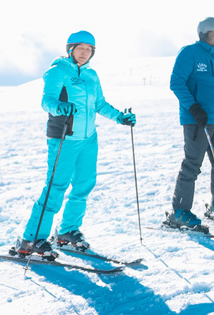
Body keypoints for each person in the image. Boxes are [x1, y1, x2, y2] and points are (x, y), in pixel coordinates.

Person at [14, 31, 136, 258]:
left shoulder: (91, 74)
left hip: (88, 139)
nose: (85, 53)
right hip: (64, 137)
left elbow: (99, 104)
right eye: (81, 48)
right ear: (70, 49)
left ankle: (67, 231)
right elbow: (46, 100)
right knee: (55, 187)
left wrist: (120, 117)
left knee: (83, 185)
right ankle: (32, 239)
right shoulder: (58, 70)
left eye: (89, 50)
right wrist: (59, 107)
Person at [167, 17, 214, 232]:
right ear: (202, 34)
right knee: (192, 165)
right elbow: (176, 82)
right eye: (213, 34)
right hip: (197, 121)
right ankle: (179, 212)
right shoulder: (189, 53)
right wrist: (193, 108)